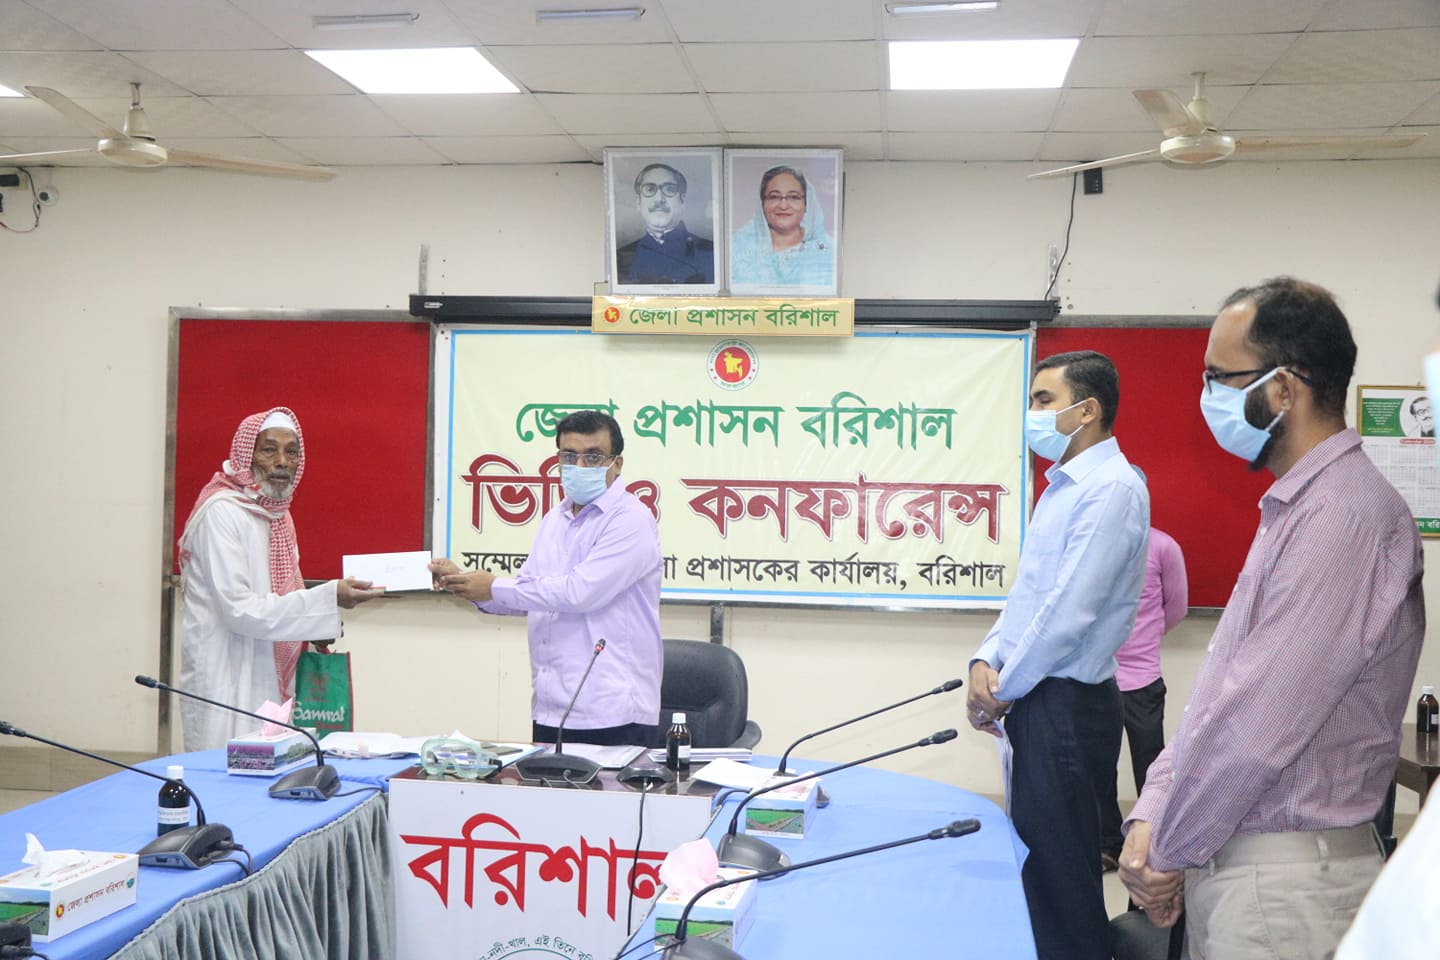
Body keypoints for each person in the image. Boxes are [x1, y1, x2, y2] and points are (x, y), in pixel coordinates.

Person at [1120, 277, 1425, 960]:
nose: (1207, 397)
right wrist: (1152, 813)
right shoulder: (1298, 507)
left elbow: (1255, 729)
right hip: (1244, 870)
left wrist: (1163, 852)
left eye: (1219, 378)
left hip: (1284, 885)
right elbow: (1216, 702)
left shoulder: (1343, 518)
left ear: (1284, 389)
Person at [967, 350, 1150, 960]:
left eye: (1044, 400)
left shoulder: (1112, 489)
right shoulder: (1061, 487)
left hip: (1066, 704)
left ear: (1088, 411)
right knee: (1039, 870)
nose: (1033, 413)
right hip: (1035, 695)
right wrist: (983, 662)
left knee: (1063, 878)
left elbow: (1069, 613)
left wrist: (1004, 688)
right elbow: (1028, 598)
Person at [431, 410, 663, 746]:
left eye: (593, 456)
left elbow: (579, 593)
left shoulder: (631, 520)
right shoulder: (556, 518)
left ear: (617, 464)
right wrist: (467, 585)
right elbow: (529, 594)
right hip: (551, 705)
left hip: (611, 709)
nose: (579, 466)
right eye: (569, 456)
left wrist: (494, 586)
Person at [177, 406, 383, 750]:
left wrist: (316, 623)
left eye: (292, 452)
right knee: (222, 765)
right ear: (246, 455)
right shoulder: (222, 512)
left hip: (268, 666)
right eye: (269, 450)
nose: (282, 462)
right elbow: (238, 609)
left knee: (269, 763)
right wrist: (327, 598)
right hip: (225, 668)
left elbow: (286, 591)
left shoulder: (278, 516)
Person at [1100, 479, 1189, 873]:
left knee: (1151, 767)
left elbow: (1177, 608)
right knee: (1100, 768)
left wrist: (1144, 638)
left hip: (1143, 681)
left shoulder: (1163, 546)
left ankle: (1154, 845)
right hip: (1097, 678)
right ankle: (1106, 844)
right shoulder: (1094, 543)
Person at [729, 164, 834, 289]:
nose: (783, 206)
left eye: (793, 197)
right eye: (774, 197)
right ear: (762, 203)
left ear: (807, 203)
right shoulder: (737, 248)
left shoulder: (827, 251)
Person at [615, 162, 714, 285]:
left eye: (669, 189)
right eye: (650, 189)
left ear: (682, 201)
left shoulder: (710, 254)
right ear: (638, 202)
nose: (659, 199)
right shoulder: (623, 257)